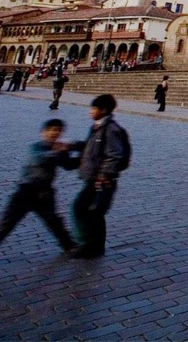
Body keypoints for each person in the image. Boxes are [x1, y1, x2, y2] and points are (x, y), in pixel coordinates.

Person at [0, 119, 79, 269]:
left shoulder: (59, 150)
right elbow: (41, 158)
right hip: (25, 192)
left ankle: (69, 246)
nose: (55, 133)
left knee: (54, 221)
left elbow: (69, 165)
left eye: (58, 130)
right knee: (4, 225)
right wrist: (60, 150)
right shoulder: (36, 147)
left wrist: (86, 156)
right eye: (52, 130)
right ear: (43, 132)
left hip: (45, 193)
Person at [70, 94, 130, 259]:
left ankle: (89, 245)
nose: (91, 112)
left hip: (102, 180)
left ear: (104, 110)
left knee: (85, 209)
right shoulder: (97, 127)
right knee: (91, 211)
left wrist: (104, 175)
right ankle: (94, 246)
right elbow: (88, 146)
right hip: (93, 177)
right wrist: (70, 145)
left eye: (94, 108)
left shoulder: (111, 129)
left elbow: (114, 155)